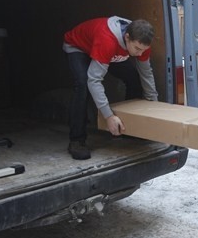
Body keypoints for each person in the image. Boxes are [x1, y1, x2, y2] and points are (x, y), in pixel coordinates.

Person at [63, 16, 158, 160]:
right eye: (137, 49)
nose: (140, 54)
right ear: (127, 37)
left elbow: (146, 73)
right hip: (79, 47)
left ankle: (129, 129)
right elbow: (93, 80)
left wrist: (153, 103)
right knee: (83, 85)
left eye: (143, 50)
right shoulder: (107, 40)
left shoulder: (141, 43)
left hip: (106, 51)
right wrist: (109, 116)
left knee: (134, 77)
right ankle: (77, 140)